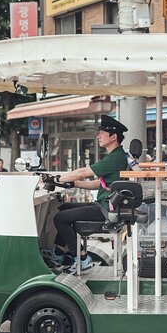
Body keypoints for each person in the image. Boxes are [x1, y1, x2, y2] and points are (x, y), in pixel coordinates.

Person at [52, 115, 129, 273]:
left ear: (113, 136)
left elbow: (83, 172)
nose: (98, 136)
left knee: (59, 219)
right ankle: (60, 252)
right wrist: (73, 183)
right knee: (64, 208)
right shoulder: (116, 156)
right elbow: (99, 184)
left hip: (105, 209)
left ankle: (81, 257)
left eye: (102, 133)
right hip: (104, 204)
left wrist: (56, 179)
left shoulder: (115, 158)